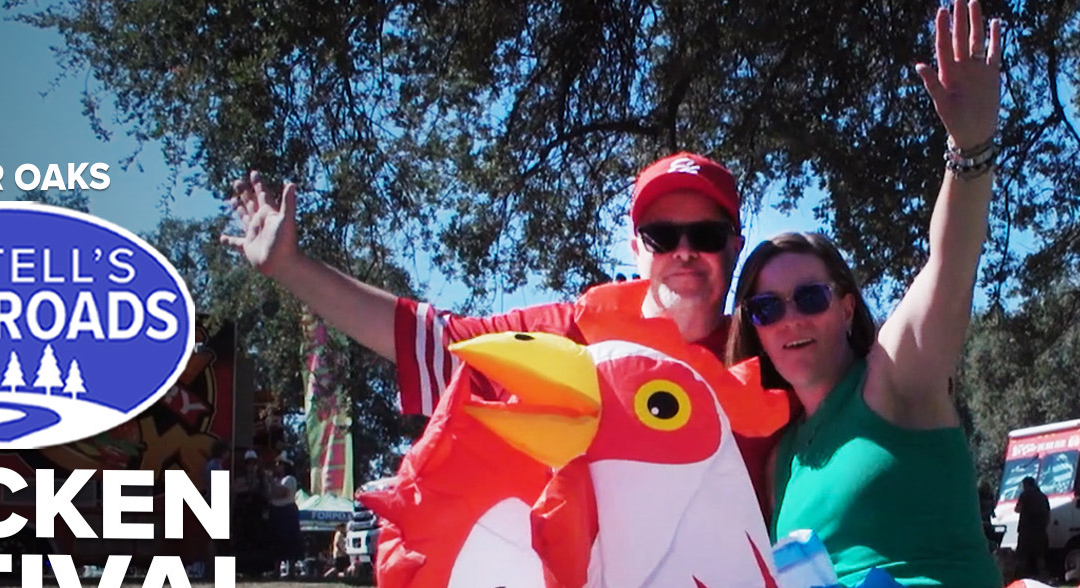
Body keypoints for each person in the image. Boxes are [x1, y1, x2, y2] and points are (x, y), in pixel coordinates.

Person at [726, 1, 1055, 588]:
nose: (790, 320)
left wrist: (970, 152)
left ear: (846, 306)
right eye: (766, 308)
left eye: (809, 297)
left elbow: (950, 261)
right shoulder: (781, 459)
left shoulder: (893, 378)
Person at [226, 149, 791, 511]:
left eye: (708, 234)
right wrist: (291, 268)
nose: (686, 252)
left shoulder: (775, 353)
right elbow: (432, 343)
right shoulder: (574, 335)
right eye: (663, 235)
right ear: (635, 247)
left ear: (735, 244)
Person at [1014, 475, 1051, 580]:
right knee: (1040, 556)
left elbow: (1017, 509)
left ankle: (1021, 578)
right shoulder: (1043, 496)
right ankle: (1043, 577)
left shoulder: (1024, 495)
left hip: (1026, 531)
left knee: (1022, 556)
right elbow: (1048, 514)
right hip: (1040, 531)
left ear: (1026, 485)